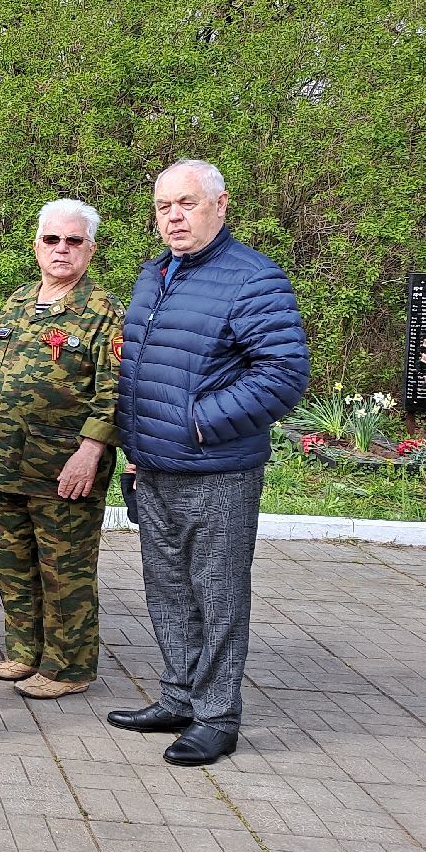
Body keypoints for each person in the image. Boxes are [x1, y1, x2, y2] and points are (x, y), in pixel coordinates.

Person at [110, 159, 308, 767]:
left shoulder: (252, 279)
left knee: (217, 595)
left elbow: (283, 373)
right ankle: (177, 695)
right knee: (167, 590)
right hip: (155, 465)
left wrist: (198, 421)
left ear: (220, 206)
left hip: (218, 470)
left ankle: (217, 716)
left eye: (187, 203)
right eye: (164, 205)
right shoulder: (155, 275)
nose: (173, 216)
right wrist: (137, 441)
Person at [0, 199, 125, 700]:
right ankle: (25, 651)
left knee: (64, 569)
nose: (61, 249)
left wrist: (90, 451)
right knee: (13, 560)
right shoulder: (16, 303)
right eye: (52, 239)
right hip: (7, 461)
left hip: (65, 464)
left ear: (90, 248)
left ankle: (69, 667)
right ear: (36, 243)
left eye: (73, 241)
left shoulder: (102, 312)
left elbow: (114, 390)